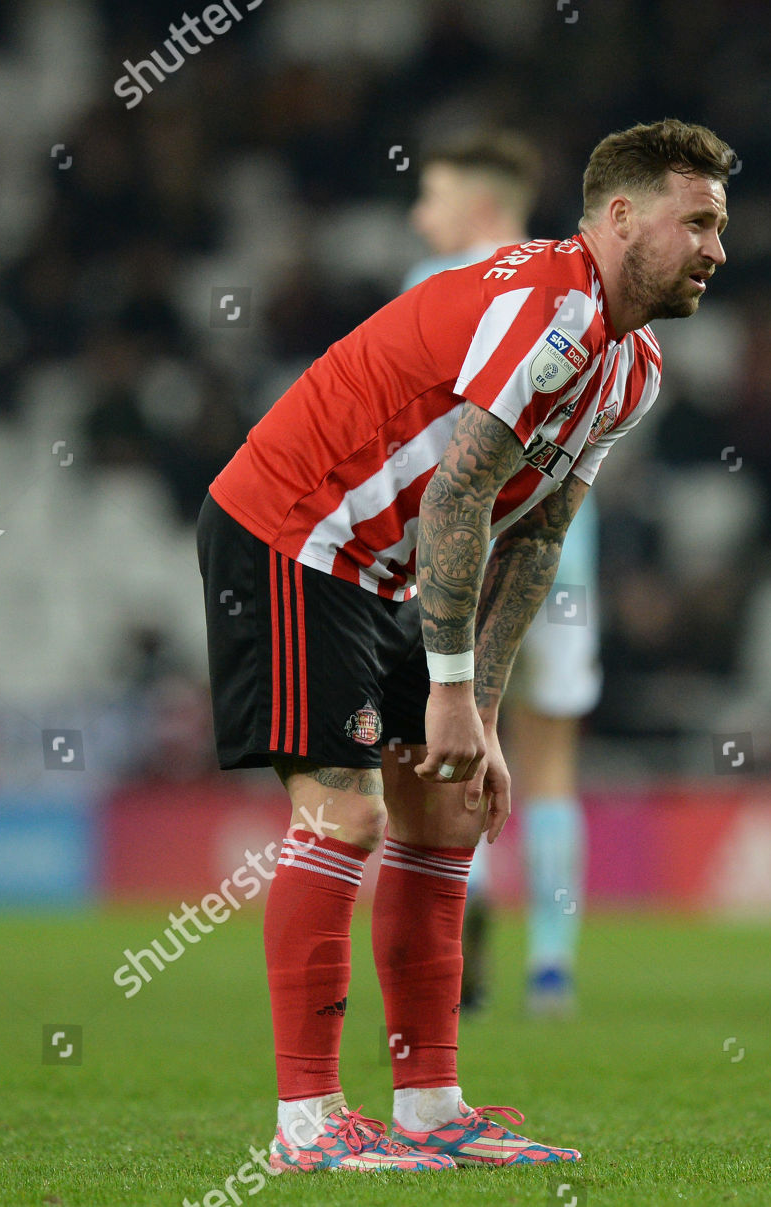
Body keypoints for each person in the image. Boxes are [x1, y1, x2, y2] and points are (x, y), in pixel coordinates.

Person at [196, 118, 731, 1173]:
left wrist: (481, 712)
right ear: (621, 218)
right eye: (699, 222)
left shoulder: (632, 368)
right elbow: (457, 496)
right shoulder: (549, 307)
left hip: (380, 564)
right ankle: (305, 1125)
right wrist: (449, 693)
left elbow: (534, 537)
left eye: (720, 226)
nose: (718, 248)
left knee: (445, 800)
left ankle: (432, 1104)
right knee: (346, 808)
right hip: (294, 529)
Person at [403, 130, 602, 1016]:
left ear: (479, 207)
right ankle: (552, 966)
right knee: (549, 762)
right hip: (561, 557)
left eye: (432, 197)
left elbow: (417, 449)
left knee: (452, 749)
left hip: (457, 556)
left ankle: (462, 933)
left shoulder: (435, 289)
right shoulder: (577, 290)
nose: (420, 216)